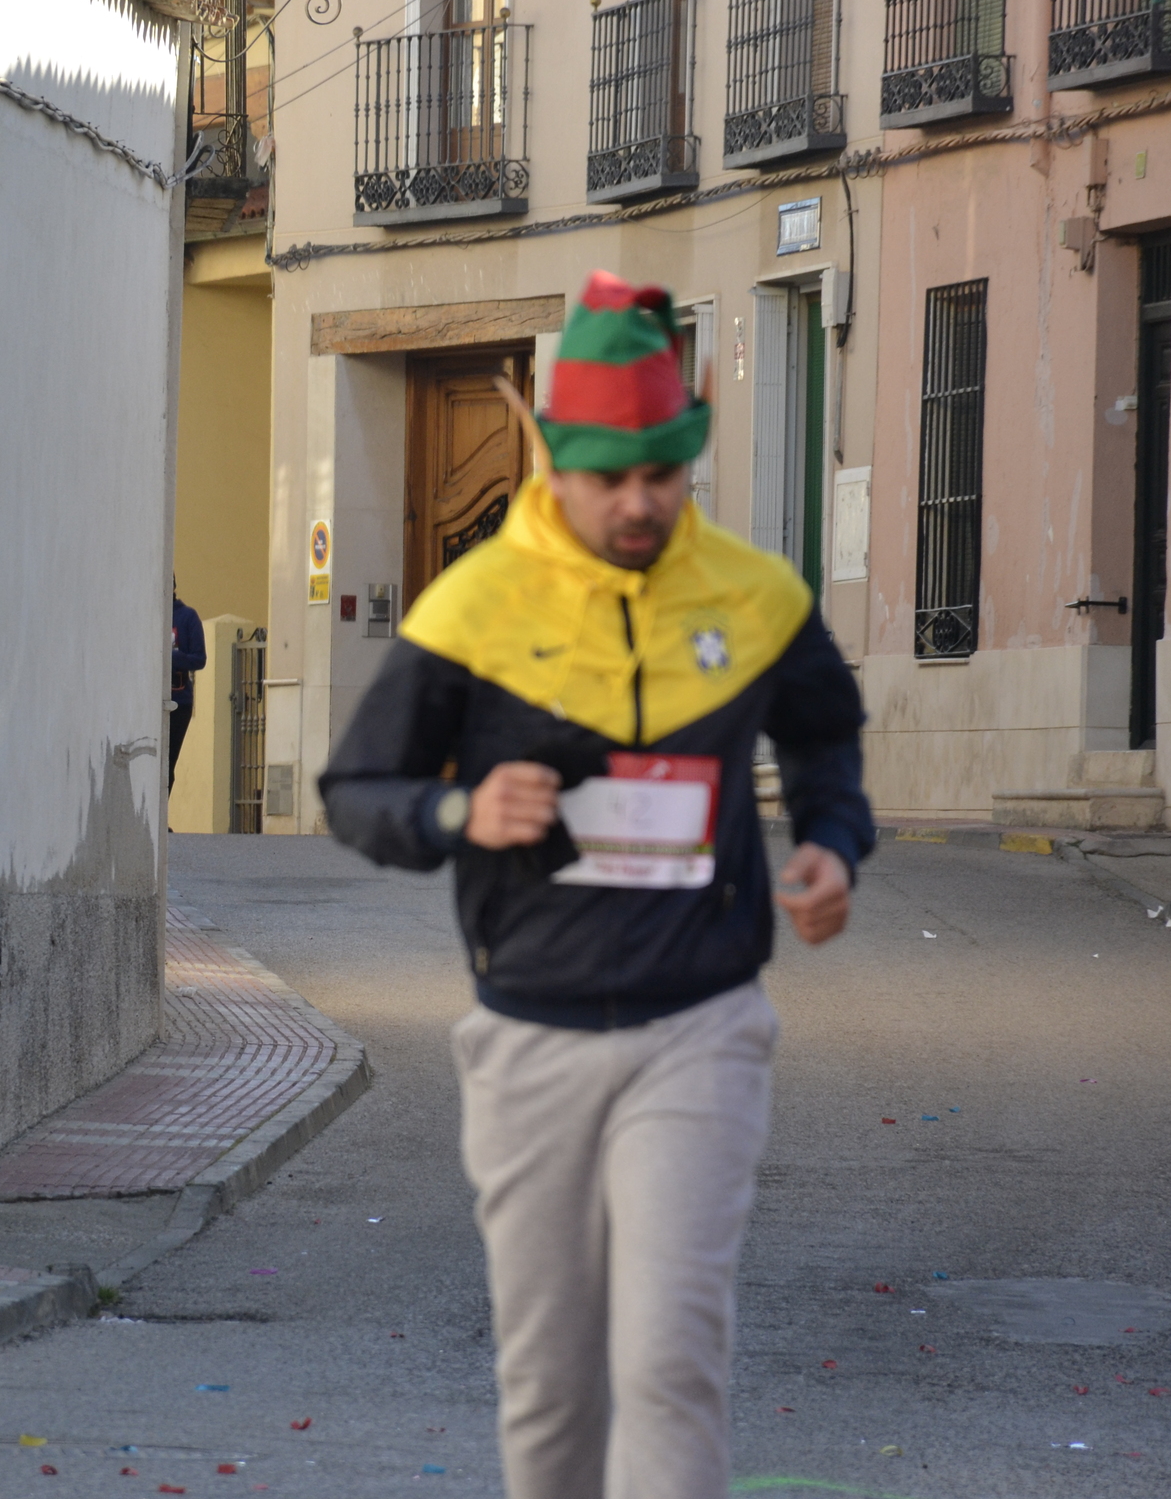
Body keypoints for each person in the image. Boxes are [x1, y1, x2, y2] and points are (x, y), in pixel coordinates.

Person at [320, 272, 873, 1499]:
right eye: (610, 478)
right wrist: (460, 811)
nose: (638, 504)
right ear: (549, 457)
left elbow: (825, 734)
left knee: (673, 1361)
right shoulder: (473, 607)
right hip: (531, 1039)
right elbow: (356, 790)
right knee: (551, 1383)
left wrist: (833, 841)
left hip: (702, 1025)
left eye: (663, 476)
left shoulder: (756, 596)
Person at [169, 585, 206, 792]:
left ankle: (161, 808)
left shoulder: (188, 616)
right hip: (149, 701)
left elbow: (199, 659)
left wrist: (173, 657)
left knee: (167, 762)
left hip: (179, 700)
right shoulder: (147, 613)